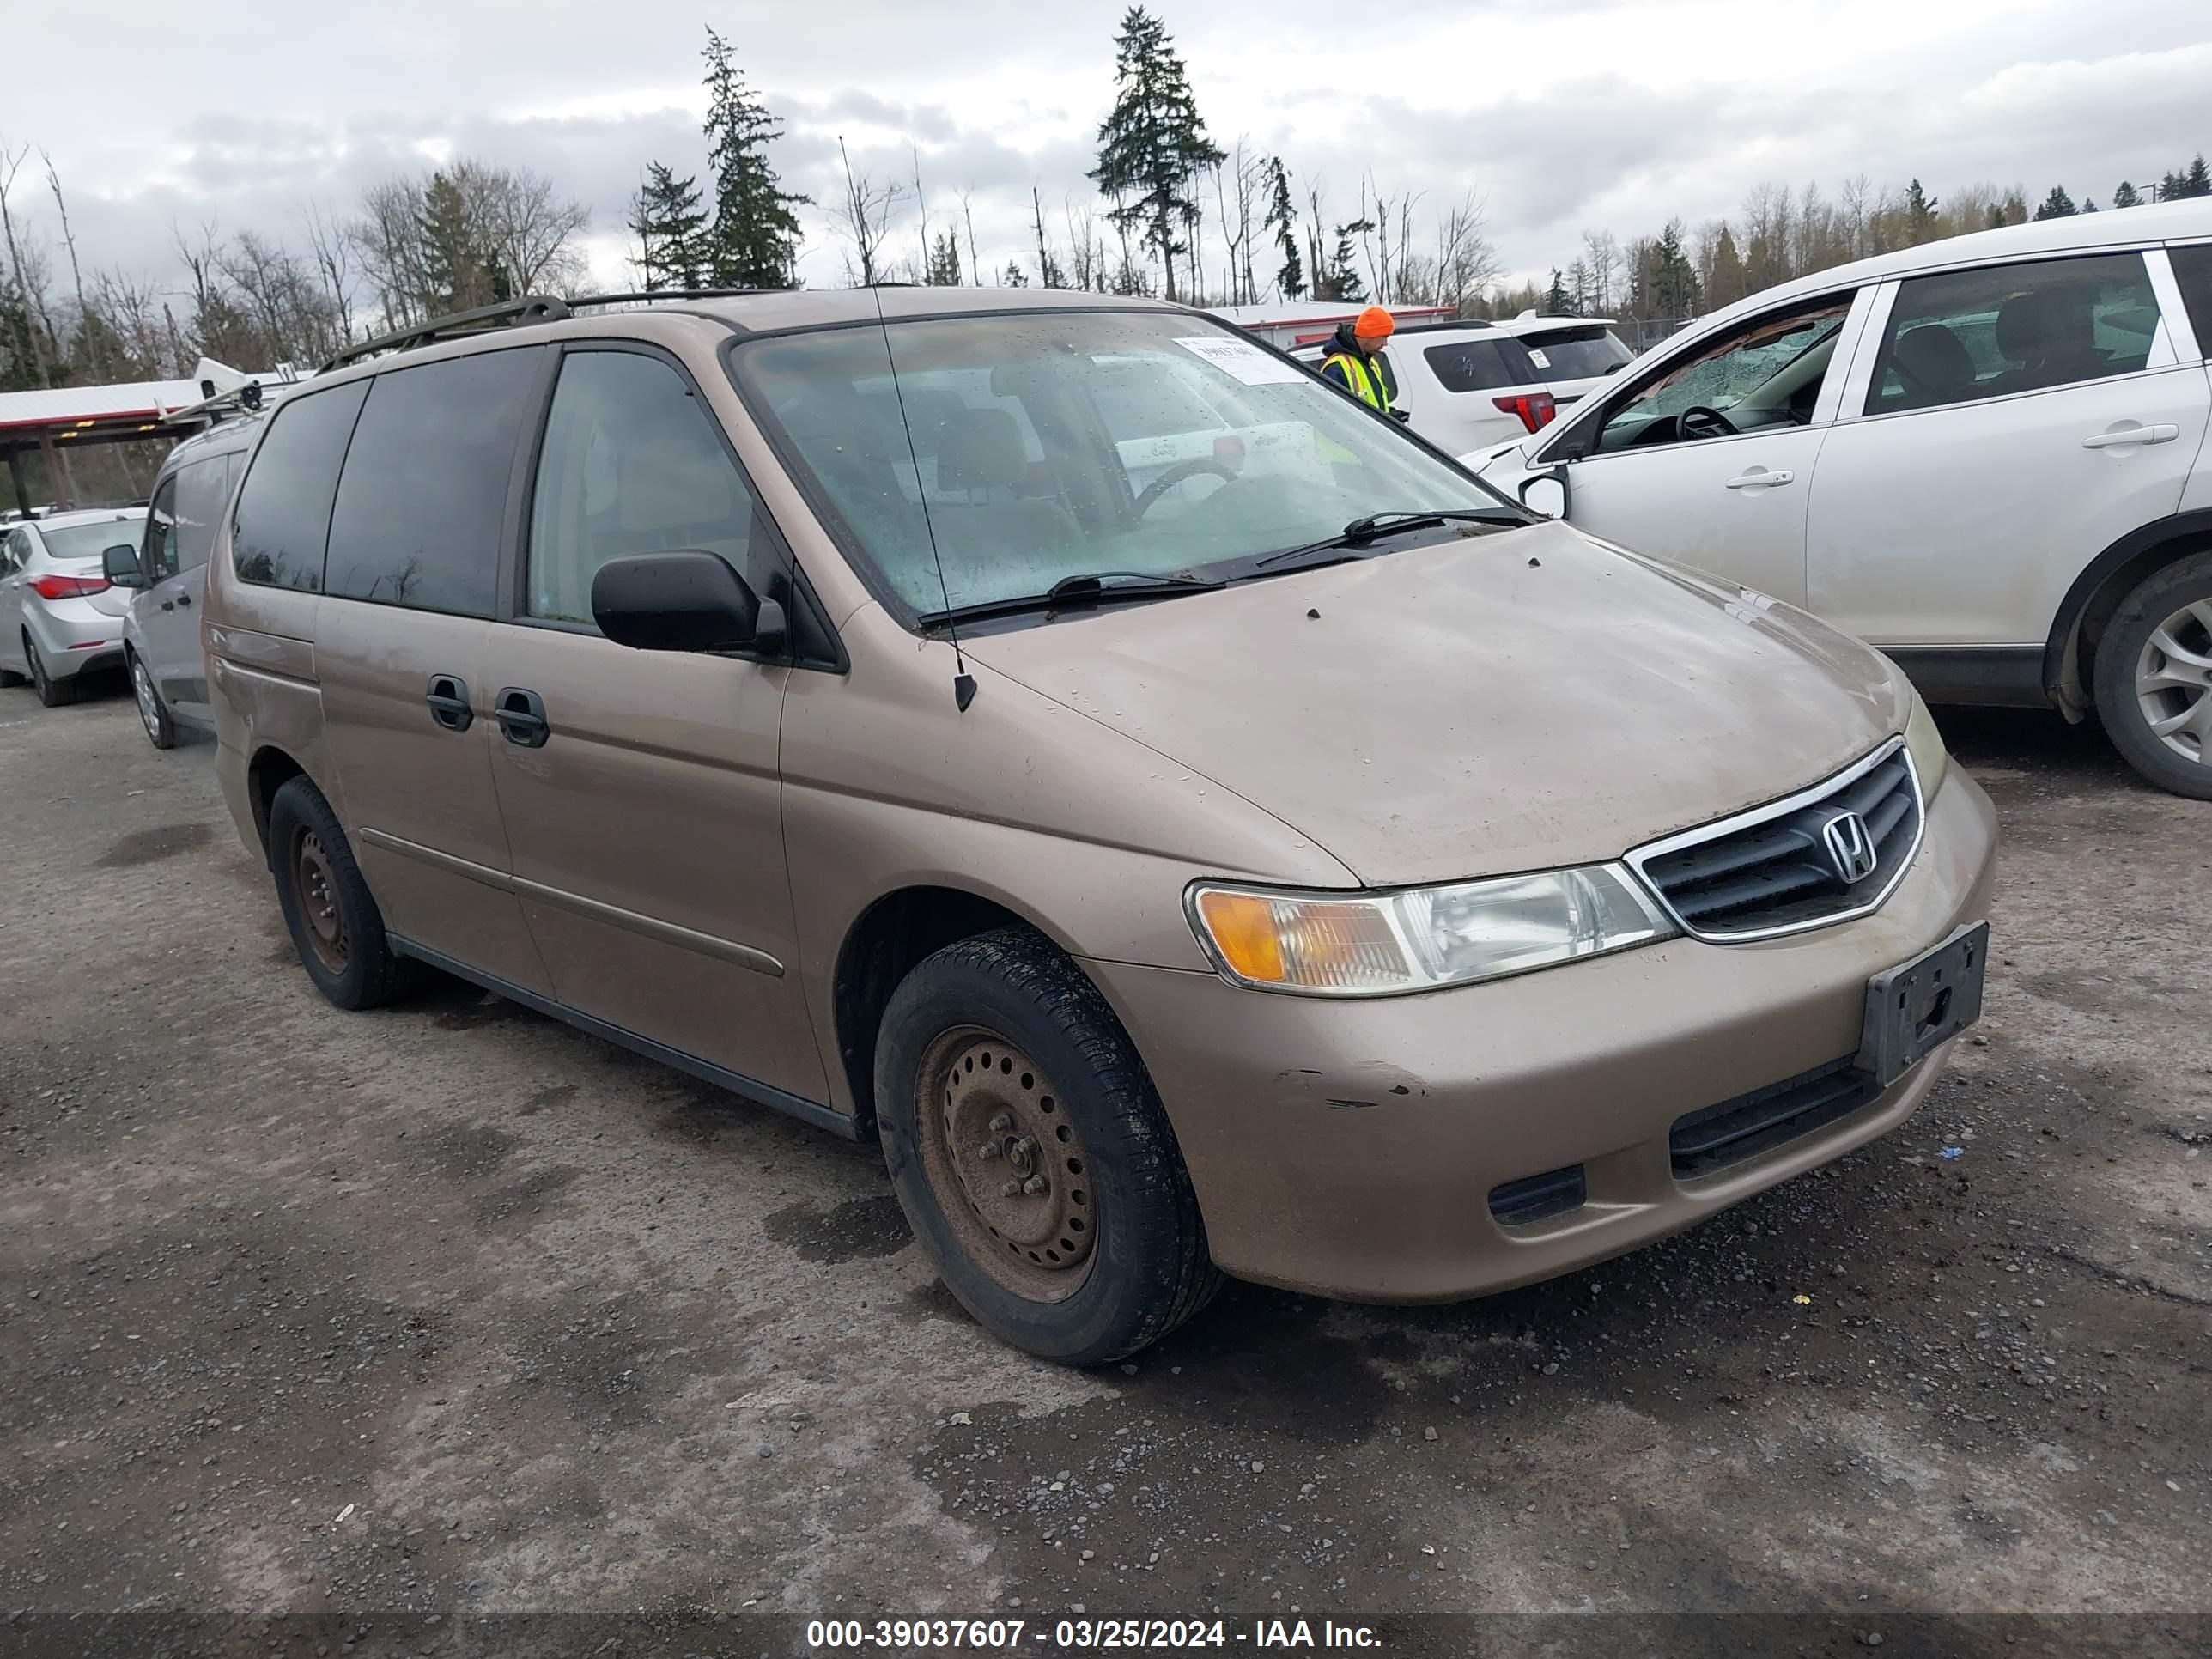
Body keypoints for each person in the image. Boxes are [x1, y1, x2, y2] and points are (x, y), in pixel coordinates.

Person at [1319, 307, 1409, 422]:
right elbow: (1332, 416)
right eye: (1384, 337)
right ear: (1370, 334)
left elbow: (1373, 405)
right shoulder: (1337, 367)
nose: (1385, 344)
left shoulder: (1371, 363)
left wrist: (1389, 416)